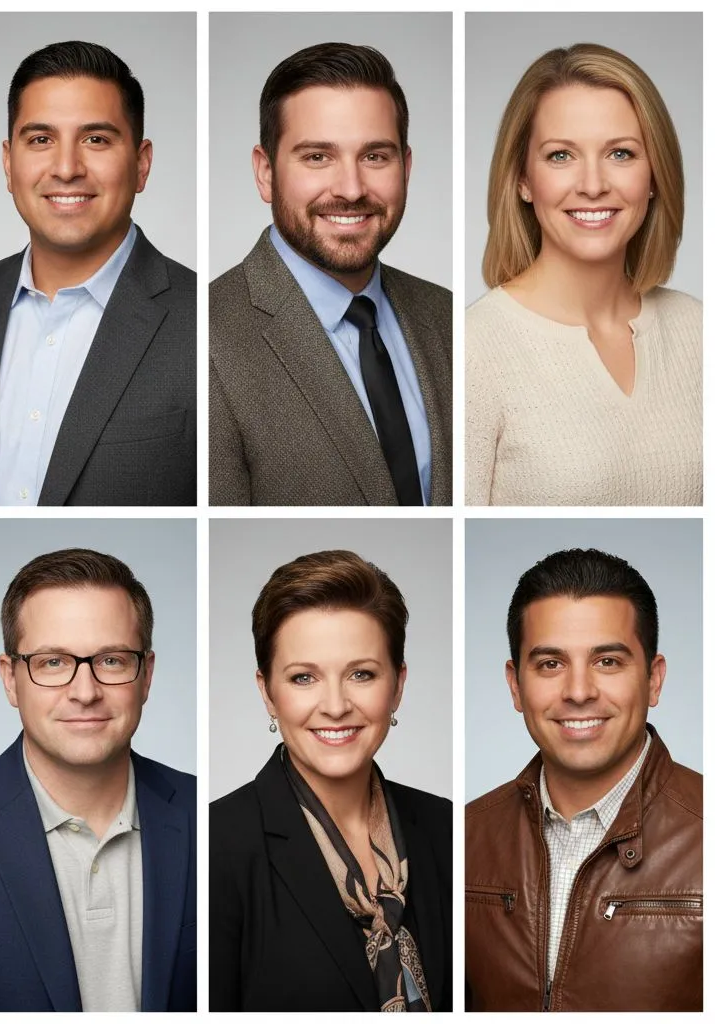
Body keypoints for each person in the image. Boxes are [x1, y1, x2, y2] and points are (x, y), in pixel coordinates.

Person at [0, 41, 195, 507]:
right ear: (9, 163)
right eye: (41, 140)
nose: (66, 168)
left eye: (96, 139)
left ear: (141, 163)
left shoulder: (203, 321)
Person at [210, 43, 452, 506]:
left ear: (406, 167)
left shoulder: (446, 315)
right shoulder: (207, 336)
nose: (351, 189)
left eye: (375, 157)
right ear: (265, 173)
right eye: (318, 157)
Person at [0, 548, 196, 1010]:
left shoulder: (206, 816)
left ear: (146, 676)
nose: (85, 692)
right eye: (52, 662)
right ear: (10, 679)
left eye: (111, 661)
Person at [211, 550, 451, 1010]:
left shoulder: (448, 827)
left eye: (361, 674)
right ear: (267, 692)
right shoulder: (217, 846)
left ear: (397, 686)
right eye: (304, 678)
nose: (336, 705)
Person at [465, 548, 701, 1011]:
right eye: (551, 664)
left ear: (654, 680)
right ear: (516, 685)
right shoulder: (464, 836)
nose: (578, 691)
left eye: (607, 662)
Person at [466, 44, 701, 506]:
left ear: (654, 175)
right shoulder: (474, 351)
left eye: (620, 153)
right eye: (560, 156)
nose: (593, 185)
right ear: (522, 180)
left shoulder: (698, 330)